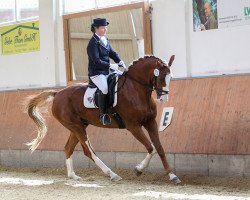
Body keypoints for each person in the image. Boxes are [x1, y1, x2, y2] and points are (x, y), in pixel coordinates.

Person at [87, 18, 126, 125]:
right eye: (103, 28)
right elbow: (96, 61)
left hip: (107, 70)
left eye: (106, 27)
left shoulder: (105, 39)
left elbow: (112, 53)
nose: (105, 29)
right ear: (96, 28)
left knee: (121, 79)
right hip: (96, 73)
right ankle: (103, 115)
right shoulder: (92, 44)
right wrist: (110, 65)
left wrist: (120, 61)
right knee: (104, 89)